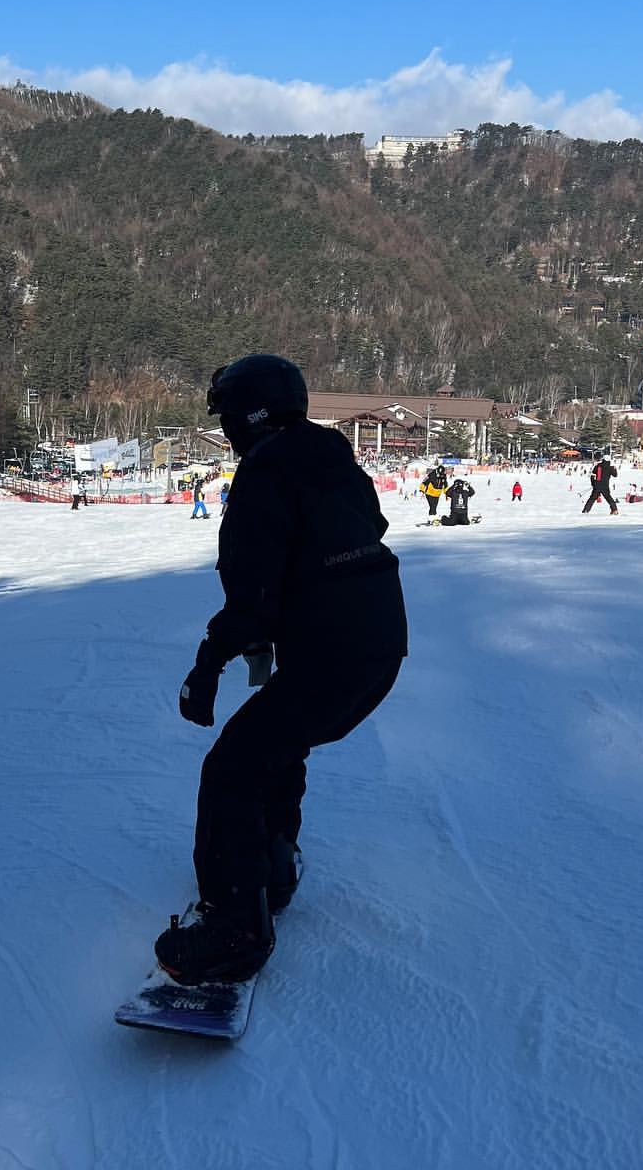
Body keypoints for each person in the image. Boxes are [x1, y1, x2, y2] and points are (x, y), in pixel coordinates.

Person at [155, 354, 407, 986]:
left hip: (331, 652)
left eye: (228, 418)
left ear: (247, 414)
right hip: (378, 644)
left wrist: (208, 663)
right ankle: (272, 868)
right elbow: (363, 530)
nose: (228, 432)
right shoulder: (329, 455)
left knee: (233, 768)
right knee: (277, 745)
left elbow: (252, 596)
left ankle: (235, 929)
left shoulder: (265, 471)